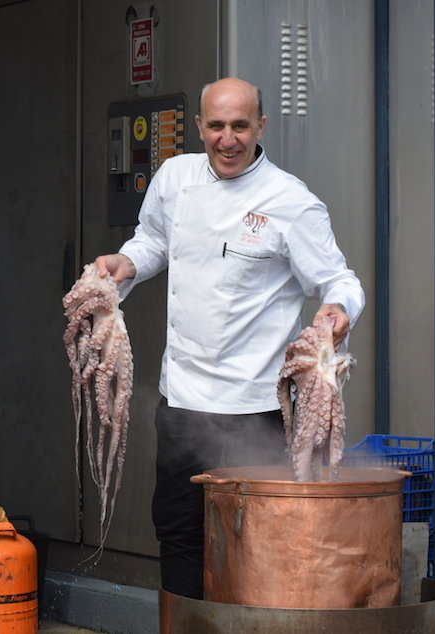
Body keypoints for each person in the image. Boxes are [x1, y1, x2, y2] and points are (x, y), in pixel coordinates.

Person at [93, 77, 365, 599]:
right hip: (183, 402)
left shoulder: (291, 201)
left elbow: (340, 280)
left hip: (256, 409)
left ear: (261, 126)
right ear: (199, 127)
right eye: (215, 126)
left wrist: (336, 308)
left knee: (257, 541)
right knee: (177, 533)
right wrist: (126, 264)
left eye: (240, 125)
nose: (227, 139)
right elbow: (152, 240)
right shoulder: (174, 178)